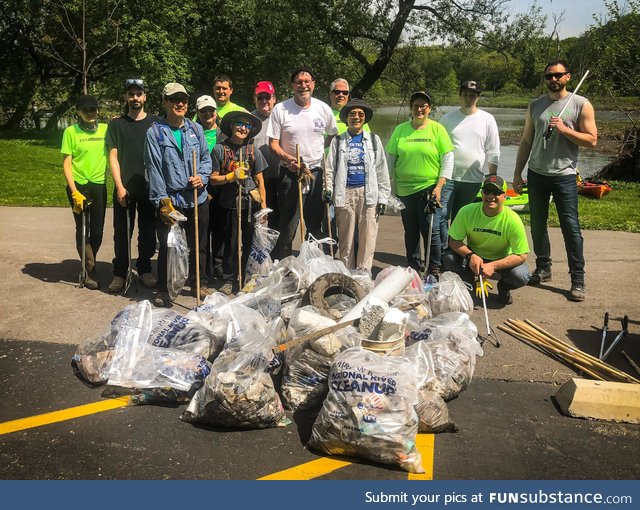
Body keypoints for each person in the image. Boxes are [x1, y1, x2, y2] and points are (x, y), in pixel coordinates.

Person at [512, 60, 597, 302]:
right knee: (538, 225)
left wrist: (565, 130)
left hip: (564, 175)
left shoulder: (581, 104)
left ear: (568, 77)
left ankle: (577, 279)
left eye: (558, 75)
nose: (553, 79)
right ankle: (544, 268)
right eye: (549, 76)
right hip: (537, 174)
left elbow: (592, 141)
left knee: (570, 228)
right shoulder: (535, 105)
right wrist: (518, 173)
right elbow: (527, 141)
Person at [145, 83, 213, 307]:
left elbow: (205, 158)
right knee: (168, 246)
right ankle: (165, 289)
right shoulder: (155, 132)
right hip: (171, 200)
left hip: (197, 196)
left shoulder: (195, 129)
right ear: (164, 102)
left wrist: (202, 176)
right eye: (174, 99)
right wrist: (162, 202)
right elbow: (154, 168)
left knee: (199, 244)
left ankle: (198, 282)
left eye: (183, 99)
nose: (180, 103)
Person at [268, 67, 338, 259]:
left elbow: (333, 134)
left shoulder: (323, 108)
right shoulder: (281, 109)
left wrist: (318, 149)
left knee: (315, 225)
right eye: (299, 82)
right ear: (293, 86)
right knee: (288, 226)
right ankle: (286, 267)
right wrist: (287, 158)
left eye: (307, 81)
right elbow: (273, 144)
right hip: (290, 174)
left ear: (313, 85)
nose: (303, 85)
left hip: (315, 173)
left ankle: (312, 264)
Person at [386, 91, 454, 276]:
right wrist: (387, 187)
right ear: (411, 108)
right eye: (416, 106)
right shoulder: (400, 130)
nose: (419, 109)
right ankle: (414, 267)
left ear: (429, 109)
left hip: (429, 189)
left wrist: (439, 187)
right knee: (411, 230)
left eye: (423, 106)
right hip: (404, 189)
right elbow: (390, 159)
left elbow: (448, 159)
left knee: (431, 230)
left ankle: (433, 268)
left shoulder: (438, 129)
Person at [106, 79, 161, 293]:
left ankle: (145, 269)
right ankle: (120, 272)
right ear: (125, 98)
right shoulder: (117, 124)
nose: (135, 98)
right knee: (122, 233)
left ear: (145, 97)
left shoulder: (157, 123)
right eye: (131, 94)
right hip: (125, 187)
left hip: (149, 188)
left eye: (139, 94)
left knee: (148, 233)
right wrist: (119, 185)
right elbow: (113, 156)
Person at [443, 175, 531, 305]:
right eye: (487, 191)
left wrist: (493, 265)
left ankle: (504, 287)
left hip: (501, 259)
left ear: (504, 196)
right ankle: (471, 284)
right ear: (482, 193)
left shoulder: (513, 220)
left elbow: (522, 254)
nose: (490, 196)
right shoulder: (467, 211)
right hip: (475, 256)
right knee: (448, 258)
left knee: (521, 275)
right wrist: (470, 255)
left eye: (496, 192)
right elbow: (453, 241)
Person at [324, 99, 389, 271]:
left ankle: (363, 275)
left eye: (360, 114)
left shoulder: (373, 140)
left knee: (368, 238)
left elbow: (382, 170)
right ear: (346, 118)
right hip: (345, 193)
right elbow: (329, 169)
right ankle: (346, 274)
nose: (356, 117)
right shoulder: (338, 141)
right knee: (346, 239)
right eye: (352, 114)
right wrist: (328, 189)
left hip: (368, 194)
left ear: (365, 118)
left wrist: (383, 197)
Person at [439, 80, 500, 258]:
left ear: (478, 97)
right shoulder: (447, 119)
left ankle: (458, 253)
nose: (468, 98)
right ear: (460, 96)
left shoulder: (487, 119)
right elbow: (439, 148)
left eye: (472, 95)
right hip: (448, 177)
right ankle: (443, 252)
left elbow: (493, 149)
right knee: (442, 216)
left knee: (462, 219)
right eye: (465, 95)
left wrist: (493, 176)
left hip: (473, 180)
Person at [209, 111, 267, 294]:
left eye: (247, 125)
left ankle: (246, 278)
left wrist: (264, 207)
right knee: (230, 243)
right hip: (229, 204)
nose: (243, 128)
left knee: (250, 243)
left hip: (250, 204)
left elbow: (260, 180)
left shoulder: (253, 150)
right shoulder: (219, 149)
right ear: (232, 126)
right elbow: (212, 179)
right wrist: (230, 176)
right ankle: (228, 279)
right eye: (239, 124)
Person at [61, 94, 108, 290]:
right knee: (82, 229)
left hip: (99, 185)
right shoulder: (70, 132)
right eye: (85, 110)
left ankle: (92, 260)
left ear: (98, 110)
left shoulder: (106, 129)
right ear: (78, 112)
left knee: (97, 230)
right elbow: (67, 162)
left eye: (93, 109)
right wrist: (73, 191)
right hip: (78, 185)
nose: (90, 113)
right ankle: (88, 268)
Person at [250, 81, 280, 229]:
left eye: (267, 97)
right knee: (259, 219)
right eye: (260, 97)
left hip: (279, 176)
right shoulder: (249, 119)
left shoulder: (280, 116)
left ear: (274, 98)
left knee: (278, 218)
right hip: (257, 177)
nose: (264, 101)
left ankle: (277, 251)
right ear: (254, 99)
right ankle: (257, 250)